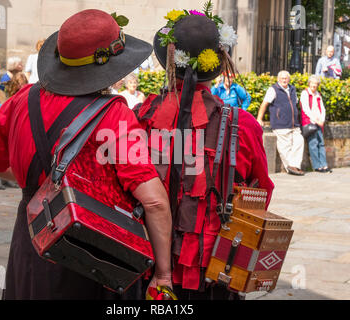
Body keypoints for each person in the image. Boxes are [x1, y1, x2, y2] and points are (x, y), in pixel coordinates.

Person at [0, 9, 172, 300]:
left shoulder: (22, 99)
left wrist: (40, 189)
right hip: (92, 251)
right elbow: (153, 201)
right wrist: (163, 275)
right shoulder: (114, 114)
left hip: (32, 242)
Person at [135, 10, 274, 300]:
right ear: (220, 62)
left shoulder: (140, 118)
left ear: (169, 61)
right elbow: (260, 193)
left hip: (145, 266)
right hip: (214, 269)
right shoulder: (243, 125)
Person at [257, 70, 305, 176]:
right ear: (278, 79)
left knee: (299, 141)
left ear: (289, 79)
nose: (284, 80)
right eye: (282, 78)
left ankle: (293, 166)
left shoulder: (292, 89)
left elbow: (295, 104)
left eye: (286, 78)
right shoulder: (273, 89)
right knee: (285, 147)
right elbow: (264, 104)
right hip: (280, 124)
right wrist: (259, 118)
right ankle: (293, 168)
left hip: (294, 124)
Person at [300, 75, 331, 173]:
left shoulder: (318, 94)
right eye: (312, 83)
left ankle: (324, 164)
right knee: (313, 144)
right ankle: (317, 166)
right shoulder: (305, 93)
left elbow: (322, 108)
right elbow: (305, 109)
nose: (314, 85)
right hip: (310, 122)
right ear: (309, 84)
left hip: (319, 122)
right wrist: (316, 120)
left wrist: (321, 119)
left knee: (321, 144)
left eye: (316, 84)